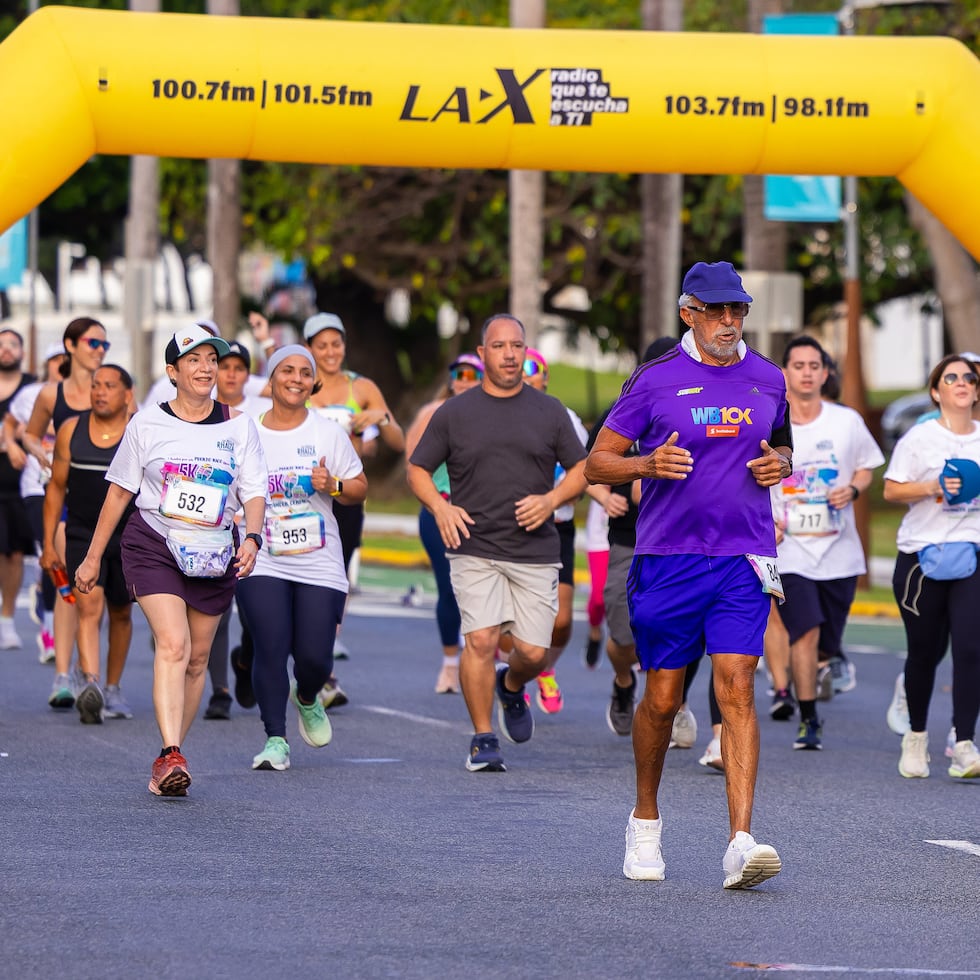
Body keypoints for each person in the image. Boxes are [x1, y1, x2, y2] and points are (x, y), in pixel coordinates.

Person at [585, 261, 791, 888]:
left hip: (742, 558)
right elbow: (597, 464)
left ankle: (740, 841)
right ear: (689, 313)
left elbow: (779, 447)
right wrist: (646, 464)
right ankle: (645, 819)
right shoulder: (655, 381)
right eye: (718, 310)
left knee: (737, 686)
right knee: (664, 699)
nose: (730, 322)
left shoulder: (769, 378)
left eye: (739, 311)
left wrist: (778, 464)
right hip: (669, 560)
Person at [74, 324, 267, 797]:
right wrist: (93, 556)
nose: (206, 368)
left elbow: (256, 491)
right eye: (194, 360)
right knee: (174, 644)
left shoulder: (239, 424)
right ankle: (169, 753)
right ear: (173, 372)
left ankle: (173, 752)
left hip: (215, 550)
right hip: (155, 543)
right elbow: (120, 491)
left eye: (212, 360)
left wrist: (254, 538)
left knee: (198, 659)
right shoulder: (147, 424)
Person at [407, 314, 588, 772]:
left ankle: (512, 686)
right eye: (499, 345)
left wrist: (551, 500)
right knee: (482, 640)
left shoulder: (550, 412)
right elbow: (417, 469)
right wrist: (442, 508)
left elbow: (583, 469)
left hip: (535, 550)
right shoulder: (455, 412)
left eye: (517, 346)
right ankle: (482, 736)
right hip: (474, 544)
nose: (509, 353)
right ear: (483, 353)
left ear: (526, 353)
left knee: (531, 652)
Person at [236, 345, 367, 772]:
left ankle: (307, 695)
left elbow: (359, 487)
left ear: (313, 383)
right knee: (270, 648)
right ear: (270, 381)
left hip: (318, 557)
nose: (295, 378)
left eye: (304, 372)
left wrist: (333, 485)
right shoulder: (245, 432)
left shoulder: (326, 432)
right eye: (286, 370)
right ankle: (275, 739)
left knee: (314, 659)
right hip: (262, 555)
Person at [770, 336, 884, 751]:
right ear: (785, 372)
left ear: (824, 373)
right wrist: (768, 519)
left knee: (827, 642)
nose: (805, 372)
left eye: (813, 365)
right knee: (805, 631)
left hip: (839, 551)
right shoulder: (770, 423)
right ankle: (808, 717)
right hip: (790, 550)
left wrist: (852, 490)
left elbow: (867, 468)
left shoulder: (845, 422)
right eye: (797, 365)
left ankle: (824, 664)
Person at [883, 353, 980, 781]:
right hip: (921, 557)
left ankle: (963, 744)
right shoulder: (919, 439)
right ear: (937, 392)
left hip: (972, 554)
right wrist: (934, 487)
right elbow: (890, 490)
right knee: (924, 652)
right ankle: (916, 736)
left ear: (976, 392)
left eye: (969, 378)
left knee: (971, 649)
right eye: (951, 377)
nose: (962, 382)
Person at [303, 311, 404, 700]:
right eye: (321, 345)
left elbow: (397, 444)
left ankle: (323, 669)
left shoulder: (361, 387)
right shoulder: (298, 382)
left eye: (336, 343)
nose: (330, 352)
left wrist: (382, 418)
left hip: (344, 497)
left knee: (334, 583)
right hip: (300, 498)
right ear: (310, 348)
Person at [40, 365, 137, 723]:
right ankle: (91, 686)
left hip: (130, 535)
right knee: (88, 605)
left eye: (110, 386)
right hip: (82, 532)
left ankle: (112, 688)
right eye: (96, 385)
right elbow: (55, 489)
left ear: (127, 394)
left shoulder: (140, 431)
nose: (100, 392)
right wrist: (50, 542)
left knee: (121, 612)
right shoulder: (71, 430)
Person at [24, 317, 109, 709]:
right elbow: (27, 432)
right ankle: (63, 674)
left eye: (104, 345)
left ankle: (84, 670)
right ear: (71, 345)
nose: (100, 350)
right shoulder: (50, 394)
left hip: (104, 502)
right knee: (68, 583)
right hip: (62, 499)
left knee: (94, 594)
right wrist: (41, 451)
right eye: (93, 342)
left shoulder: (113, 390)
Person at [404, 352, 484, 695]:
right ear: (451, 379)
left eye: (473, 374)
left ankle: (478, 659)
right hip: (440, 511)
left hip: (482, 513)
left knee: (482, 591)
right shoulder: (430, 414)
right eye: (459, 374)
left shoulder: (492, 414)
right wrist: (438, 503)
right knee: (449, 587)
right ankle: (450, 664)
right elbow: (414, 466)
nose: (465, 380)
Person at [518, 347, 590, 714]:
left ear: (546, 380)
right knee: (512, 618)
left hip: (557, 528)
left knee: (561, 621)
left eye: (535, 381)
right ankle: (516, 674)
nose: (530, 388)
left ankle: (544, 668)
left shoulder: (566, 419)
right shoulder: (502, 417)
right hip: (514, 528)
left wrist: (576, 493)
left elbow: (585, 468)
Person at [202, 339, 271, 721]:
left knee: (256, 615)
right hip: (215, 527)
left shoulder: (259, 416)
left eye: (238, 367)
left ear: (248, 374)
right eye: (222, 366)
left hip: (259, 529)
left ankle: (245, 661)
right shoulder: (201, 414)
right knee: (219, 612)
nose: (229, 374)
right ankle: (220, 691)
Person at [3, 343, 65, 664]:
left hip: (74, 486)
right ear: (46, 364)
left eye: (67, 360)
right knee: (50, 551)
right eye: (56, 360)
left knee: (67, 559)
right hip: (37, 485)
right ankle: (51, 633)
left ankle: (47, 600)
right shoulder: (33, 394)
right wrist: (12, 445)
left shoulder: (91, 393)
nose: (61, 365)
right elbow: (11, 423)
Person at [0, 328, 37, 649]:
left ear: (23, 352)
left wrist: (13, 439)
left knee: (12, 552)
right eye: (1, 345)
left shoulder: (31, 389)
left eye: (13, 343)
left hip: (18, 483)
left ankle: (7, 619)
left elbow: (38, 428)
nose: (6, 350)